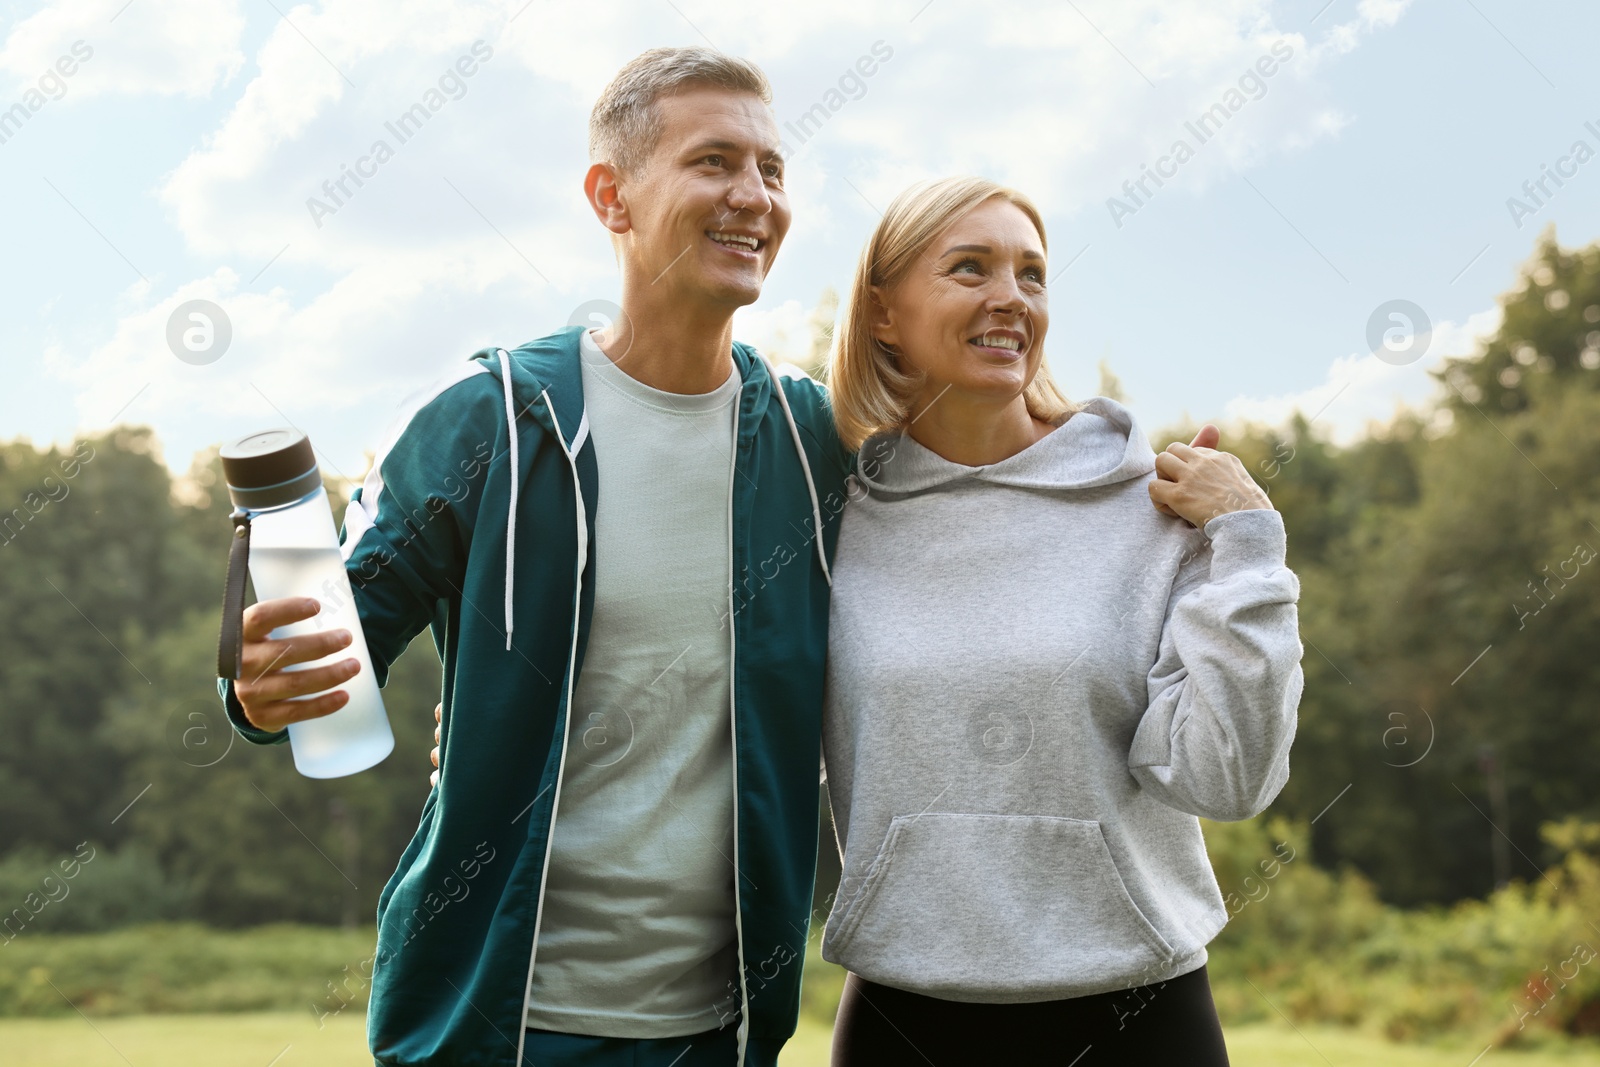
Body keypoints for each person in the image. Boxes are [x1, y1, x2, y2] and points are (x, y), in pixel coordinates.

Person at [219, 47, 854, 1067]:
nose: (754, 197)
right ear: (612, 197)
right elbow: (320, 660)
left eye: (772, 171)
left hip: (721, 1035)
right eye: (714, 162)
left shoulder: (808, 435)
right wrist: (258, 685)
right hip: (491, 1027)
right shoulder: (489, 422)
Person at [816, 176, 1305, 1065]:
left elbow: (1227, 778)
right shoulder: (831, 518)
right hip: (903, 1014)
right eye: (971, 268)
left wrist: (1249, 544)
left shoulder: (1154, 507)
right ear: (883, 313)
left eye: (1032, 275)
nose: (1010, 297)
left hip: (1133, 1012)